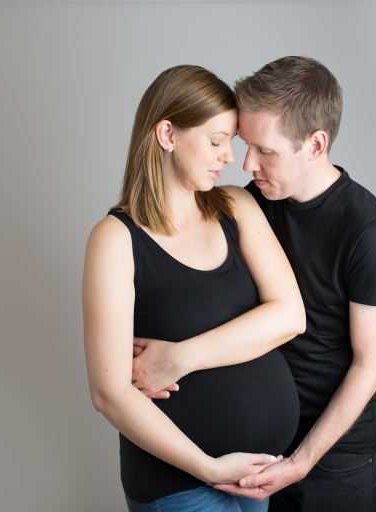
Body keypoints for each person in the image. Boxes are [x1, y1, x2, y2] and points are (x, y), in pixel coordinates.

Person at [134, 57, 376, 511]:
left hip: (335, 458)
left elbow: (370, 366)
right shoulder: (255, 201)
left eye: (266, 151)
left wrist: (303, 460)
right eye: (245, 145)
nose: (247, 163)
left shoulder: (366, 233)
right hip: (260, 451)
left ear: (315, 145)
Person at [82, 65, 305, 512]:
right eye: (216, 141)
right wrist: (207, 467)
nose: (230, 158)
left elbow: (290, 315)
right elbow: (109, 393)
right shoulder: (115, 239)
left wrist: (181, 357)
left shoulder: (236, 206)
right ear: (167, 133)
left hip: (258, 474)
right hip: (181, 486)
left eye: (232, 143)